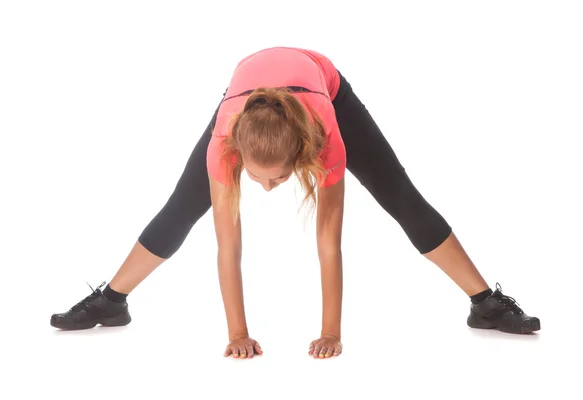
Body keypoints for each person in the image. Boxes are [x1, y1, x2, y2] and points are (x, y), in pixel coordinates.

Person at [50, 46, 541, 359]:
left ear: (302, 157)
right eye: (256, 177)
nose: (265, 188)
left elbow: (329, 244)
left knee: (400, 196)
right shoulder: (226, 140)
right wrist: (237, 334)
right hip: (248, 95)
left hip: (319, 84)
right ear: (237, 153)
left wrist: (331, 333)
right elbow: (228, 247)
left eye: (279, 178)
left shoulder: (325, 138)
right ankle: (110, 303)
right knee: (182, 207)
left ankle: (487, 305)